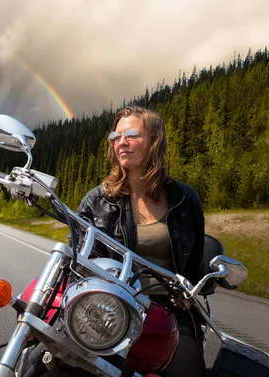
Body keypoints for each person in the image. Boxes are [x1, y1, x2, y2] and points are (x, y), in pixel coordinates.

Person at [76, 106, 206, 377]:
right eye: (116, 136)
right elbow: (80, 263)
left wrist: (188, 291)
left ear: (155, 140)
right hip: (110, 309)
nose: (121, 142)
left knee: (188, 370)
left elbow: (194, 262)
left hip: (168, 311)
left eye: (132, 134)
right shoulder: (96, 201)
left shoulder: (184, 199)